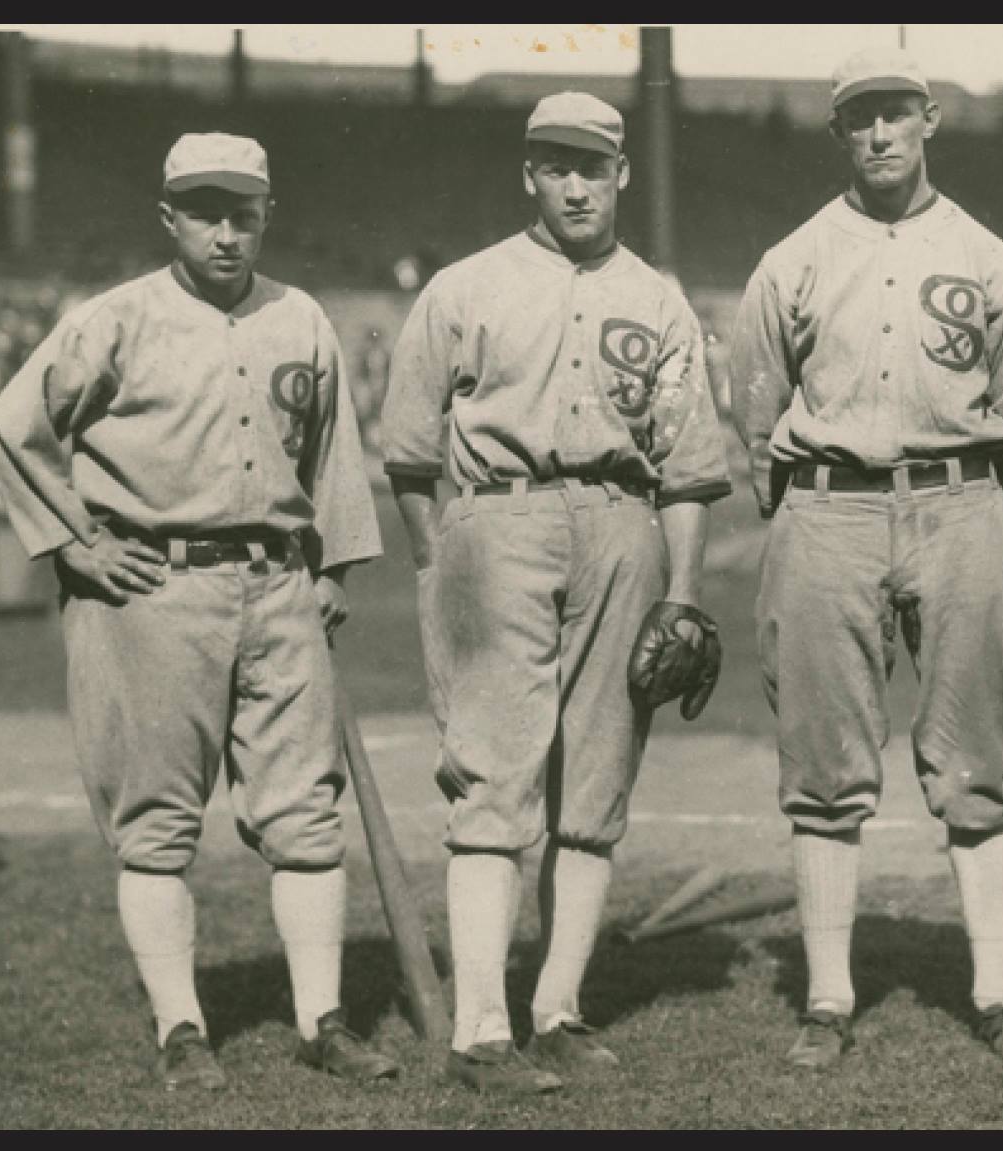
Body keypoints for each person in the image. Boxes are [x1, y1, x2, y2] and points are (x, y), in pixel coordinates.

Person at [0, 132, 400, 1087]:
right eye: (205, 210)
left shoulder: (300, 317)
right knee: (158, 822)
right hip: (152, 588)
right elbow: (13, 425)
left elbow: (333, 452)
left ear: (266, 215)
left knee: (305, 816)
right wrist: (80, 544)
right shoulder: (116, 319)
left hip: (279, 585)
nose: (225, 231)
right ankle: (181, 1029)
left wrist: (333, 566)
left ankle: (322, 1020)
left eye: (241, 211)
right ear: (167, 214)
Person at [378, 93, 731, 1093]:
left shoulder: (658, 299)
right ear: (527, 174)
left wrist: (687, 593)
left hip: (624, 525)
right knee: (493, 778)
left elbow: (690, 466)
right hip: (500, 517)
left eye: (593, 165)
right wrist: (435, 555)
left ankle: (559, 1008)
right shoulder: (465, 285)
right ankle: (481, 1028)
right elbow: (408, 452)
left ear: (622, 174)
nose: (575, 183)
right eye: (554, 164)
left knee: (595, 783)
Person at [730, 47, 1003, 1067]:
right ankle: (828, 996)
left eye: (894, 113)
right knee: (825, 768)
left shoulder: (988, 256)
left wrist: (969, 499)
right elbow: (753, 413)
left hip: (962, 505)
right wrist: (806, 504)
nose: (877, 133)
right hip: (826, 510)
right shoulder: (791, 260)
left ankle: (997, 993)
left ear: (928, 121)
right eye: (858, 117)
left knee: (978, 761)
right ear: (839, 132)